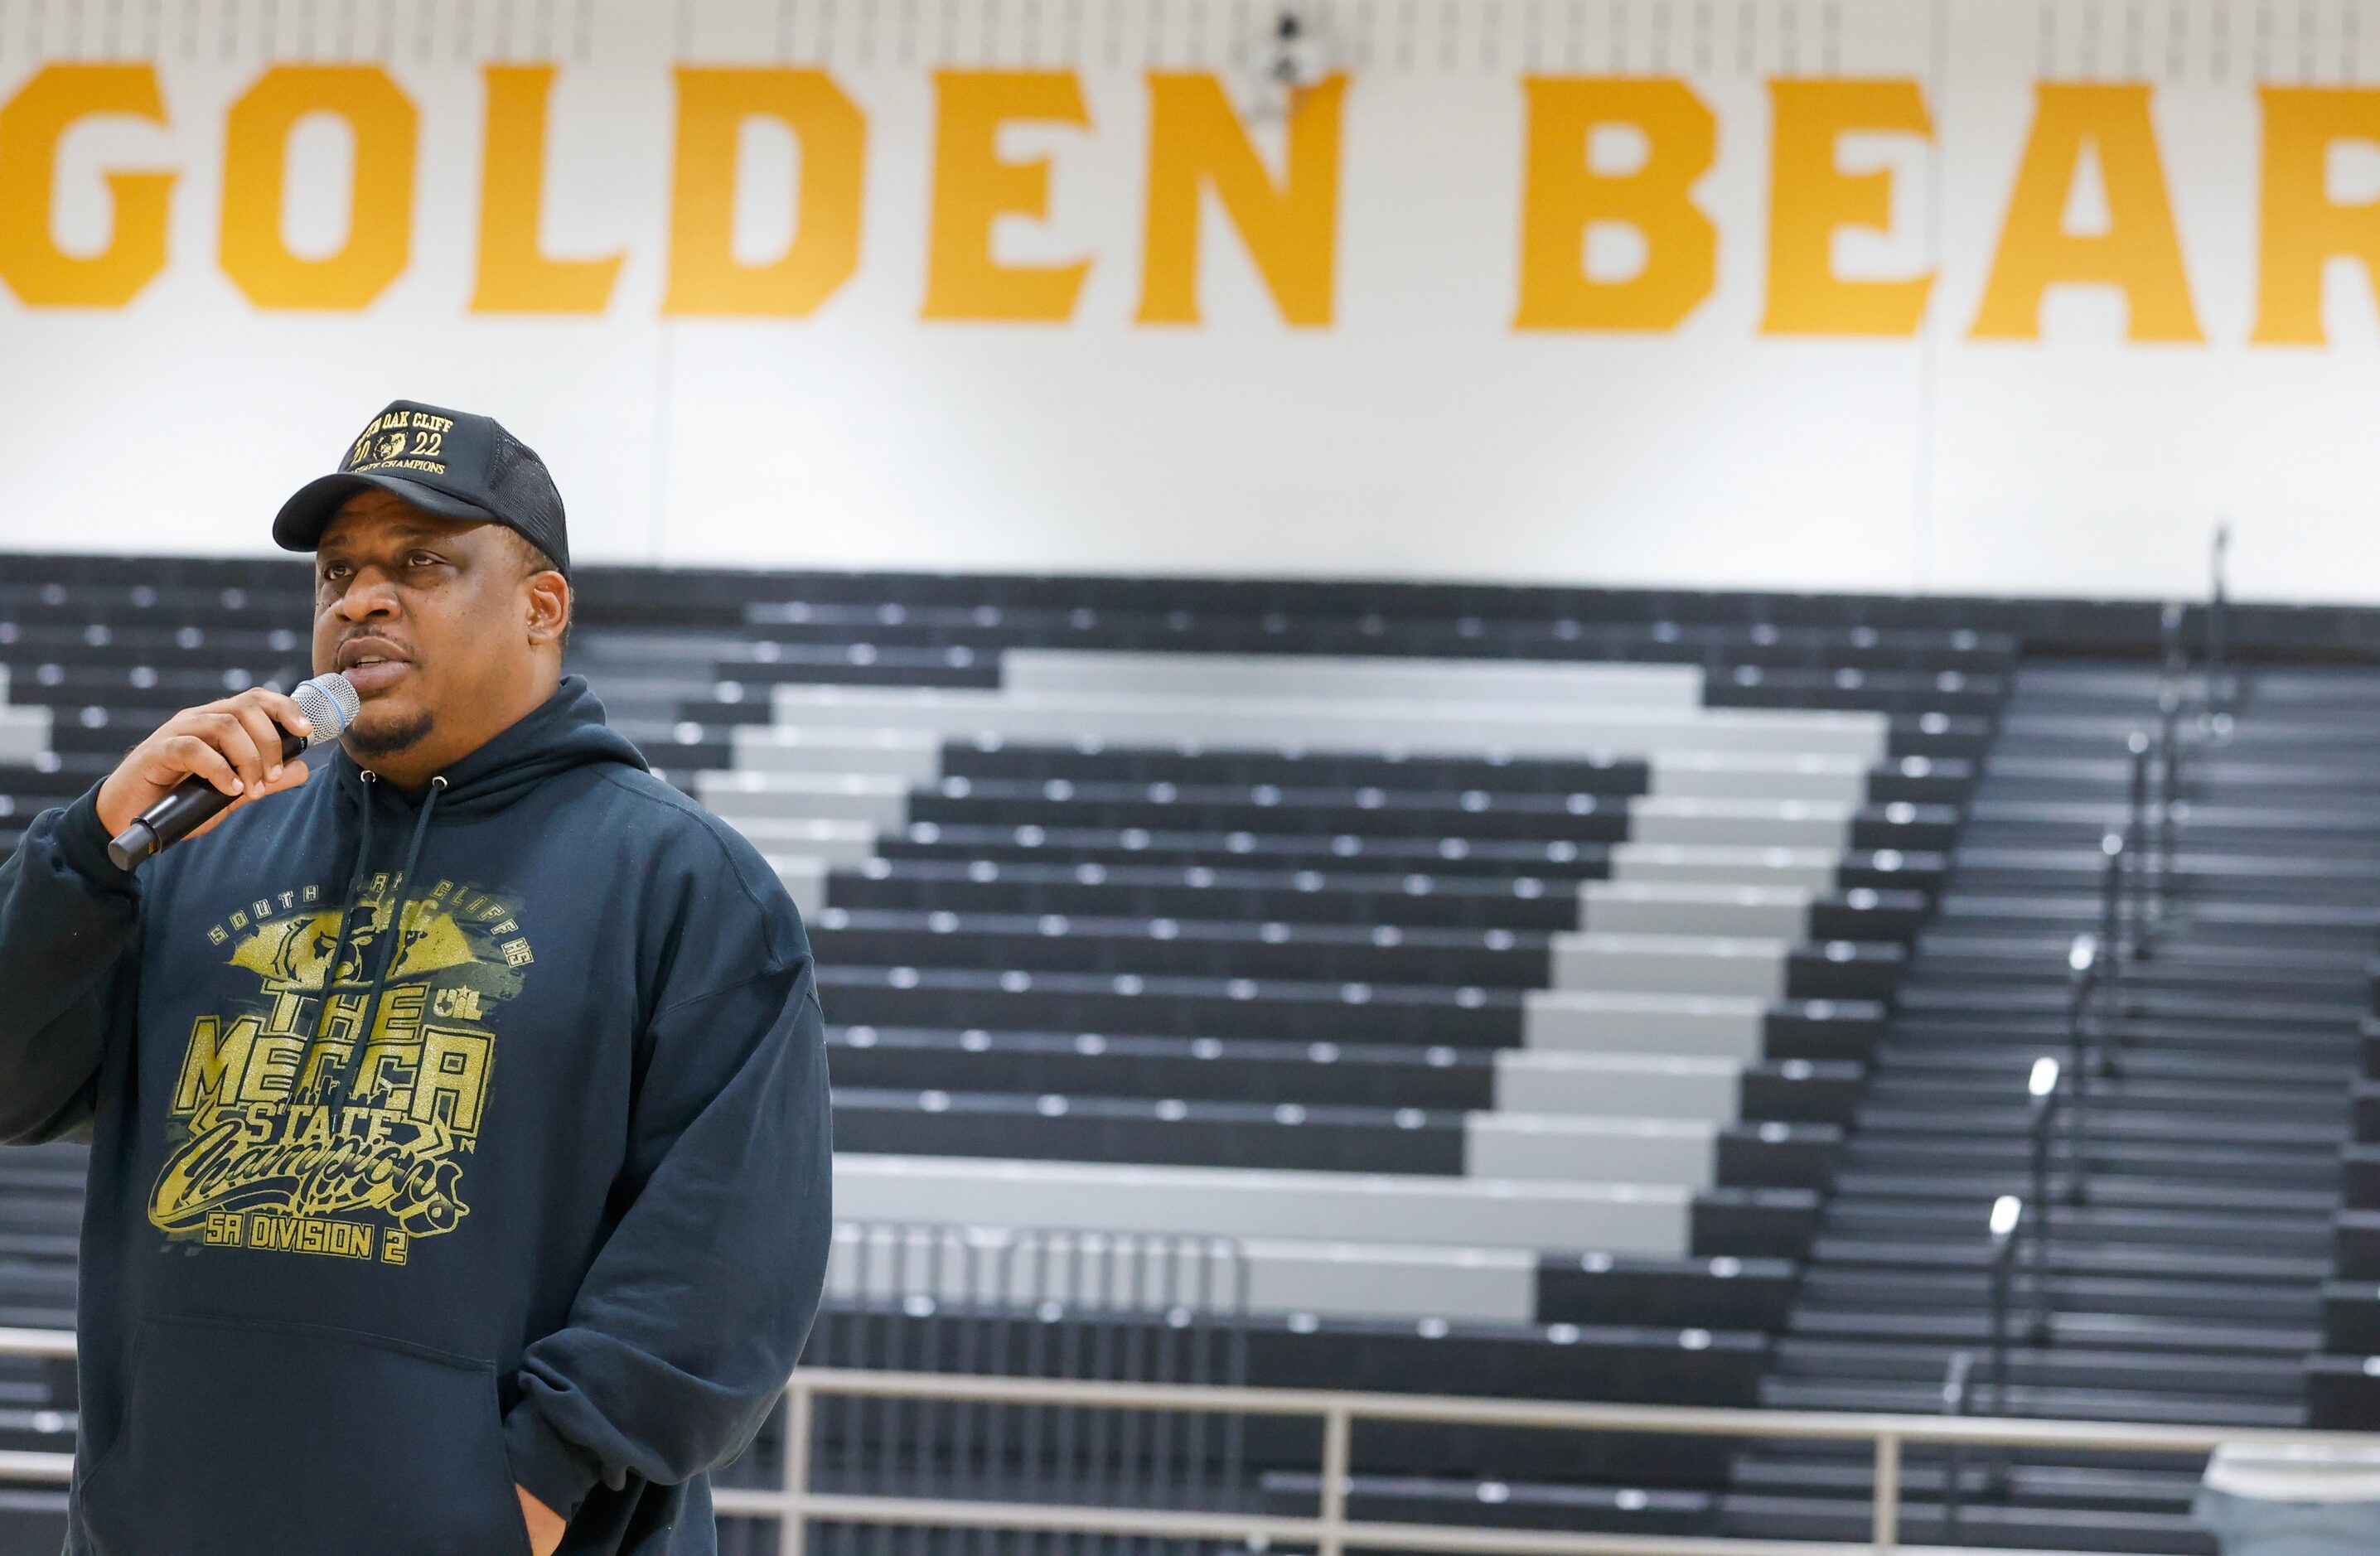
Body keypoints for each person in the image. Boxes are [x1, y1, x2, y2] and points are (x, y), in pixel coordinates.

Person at [0, 399, 834, 1555]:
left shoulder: (686, 883)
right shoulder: (197, 845)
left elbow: (725, 1261)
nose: (360, 598)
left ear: (544, 608)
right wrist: (87, 850)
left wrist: (527, 1490)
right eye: (338, 569)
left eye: (421, 562)